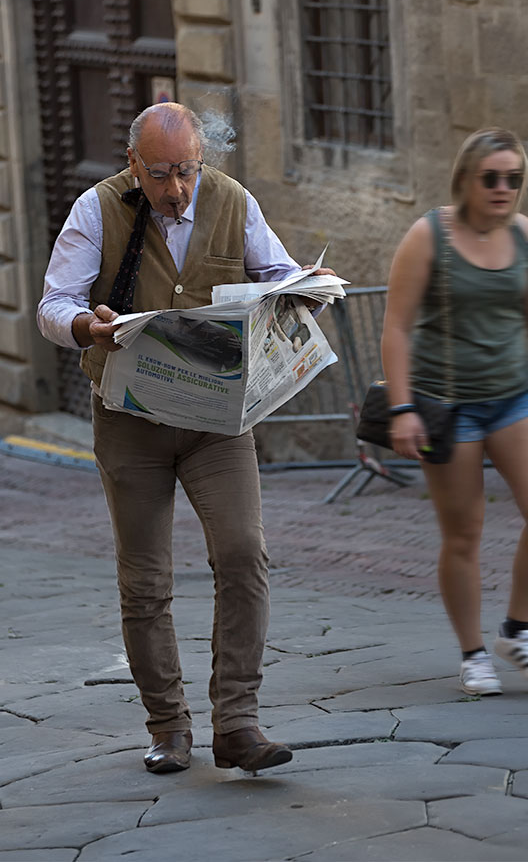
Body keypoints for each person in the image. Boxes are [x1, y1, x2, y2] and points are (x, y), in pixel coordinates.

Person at [38, 102, 332, 773]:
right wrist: (88, 325)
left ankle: (238, 722)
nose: (176, 189)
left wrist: (306, 291)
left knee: (243, 553)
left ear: (204, 160)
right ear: (134, 164)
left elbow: (276, 272)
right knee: (145, 580)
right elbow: (52, 303)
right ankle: (168, 725)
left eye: (188, 171)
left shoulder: (231, 199)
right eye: (162, 173)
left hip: (215, 418)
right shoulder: (97, 207)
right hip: (129, 418)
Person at [381, 127, 528, 696]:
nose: (502, 188)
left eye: (513, 179)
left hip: (514, 396)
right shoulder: (430, 236)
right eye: (491, 177)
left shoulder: (522, 237)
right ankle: (472, 653)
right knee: (464, 533)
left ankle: (517, 629)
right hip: (448, 406)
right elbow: (396, 327)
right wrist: (402, 408)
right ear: (466, 179)